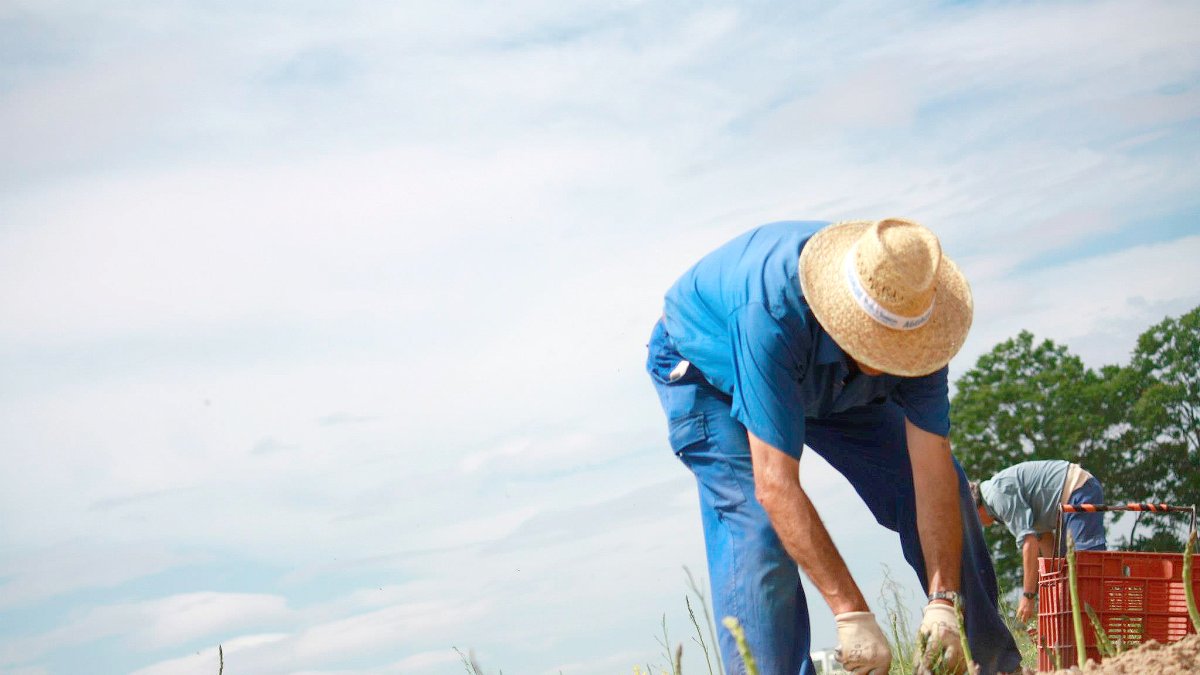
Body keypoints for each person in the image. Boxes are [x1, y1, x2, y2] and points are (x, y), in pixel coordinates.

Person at [646, 218, 1021, 675]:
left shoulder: (922, 323)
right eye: (882, 347)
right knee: (758, 528)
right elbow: (775, 486)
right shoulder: (770, 313)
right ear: (846, 317)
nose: (895, 360)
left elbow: (931, 475)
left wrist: (945, 601)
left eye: (903, 350)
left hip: (835, 377)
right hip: (709, 368)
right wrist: (852, 613)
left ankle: (987, 662)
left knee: (952, 487)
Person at [970, 459, 1107, 623]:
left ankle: (1103, 621)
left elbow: (1029, 542)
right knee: (1068, 575)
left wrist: (1028, 596)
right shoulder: (997, 496)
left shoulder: (998, 495)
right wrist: (1054, 584)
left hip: (1079, 490)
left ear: (975, 509)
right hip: (1072, 496)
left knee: (1086, 565)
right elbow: (1044, 538)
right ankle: (1086, 629)